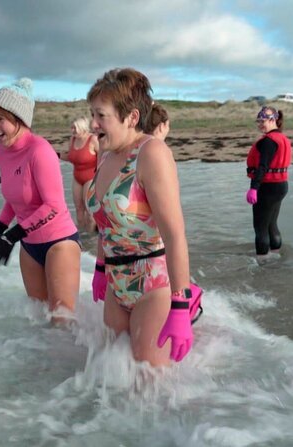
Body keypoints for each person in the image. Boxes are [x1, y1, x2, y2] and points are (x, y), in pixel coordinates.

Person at [85, 68, 195, 367]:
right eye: (91, 114)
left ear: (131, 117)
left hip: (153, 285)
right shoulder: (105, 155)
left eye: (100, 116)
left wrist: (180, 306)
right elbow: (105, 223)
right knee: (112, 376)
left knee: (149, 387)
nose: (92, 124)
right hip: (115, 282)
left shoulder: (152, 153)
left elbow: (175, 235)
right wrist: (98, 267)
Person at [0, 78, 81, 320]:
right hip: (30, 246)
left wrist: (10, 236)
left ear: (20, 120)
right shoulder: (1, 152)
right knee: (38, 317)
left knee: (61, 321)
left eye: (1, 120)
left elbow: (53, 206)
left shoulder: (40, 151)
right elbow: (14, 197)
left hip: (59, 243)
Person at [245, 106, 292, 260]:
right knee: (272, 224)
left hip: (268, 187)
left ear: (273, 120)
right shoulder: (283, 138)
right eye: (258, 121)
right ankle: (275, 256)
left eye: (263, 121)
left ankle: (262, 263)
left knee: (260, 228)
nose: (260, 124)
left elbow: (262, 166)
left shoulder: (268, 141)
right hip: (281, 185)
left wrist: (254, 188)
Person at [59, 117, 99, 231]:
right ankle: (82, 239)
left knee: (89, 211)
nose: (72, 130)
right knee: (79, 209)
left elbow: (103, 157)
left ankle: (91, 241)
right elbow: (70, 157)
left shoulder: (93, 140)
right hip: (77, 177)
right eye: (72, 127)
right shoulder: (72, 140)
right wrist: (55, 154)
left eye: (75, 128)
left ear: (82, 127)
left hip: (91, 178)